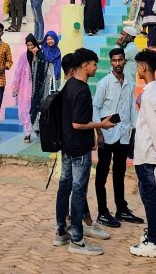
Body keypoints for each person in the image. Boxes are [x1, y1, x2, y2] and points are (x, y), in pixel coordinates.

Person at [55, 48, 116, 256]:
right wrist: (102, 125)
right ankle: (77, 239)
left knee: (65, 187)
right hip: (79, 148)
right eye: (93, 64)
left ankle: (61, 231)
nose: (95, 67)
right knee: (78, 191)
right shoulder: (81, 89)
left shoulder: (69, 85)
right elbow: (78, 123)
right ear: (84, 66)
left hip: (66, 146)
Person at [91, 47, 142, 229]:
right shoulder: (104, 83)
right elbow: (96, 108)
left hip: (123, 135)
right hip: (107, 134)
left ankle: (121, 208)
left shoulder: (128, 83)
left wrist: (133, 131)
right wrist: (99, 133)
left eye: (120, 60)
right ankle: (103, 212)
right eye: (114, 60)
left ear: (125, 61)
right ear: (110, 62)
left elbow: (130, 109)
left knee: (120, 172)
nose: (118, 64)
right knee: (102, 173)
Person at [129, 49, 156, 259]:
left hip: (146, 151)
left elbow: (155, 128)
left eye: (138, 66)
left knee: (149, 195)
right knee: (148, 194)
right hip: (152, 150)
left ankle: (153, 240)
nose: (137, 70)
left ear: (144, 67)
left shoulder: (150, 95)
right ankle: (154, 234)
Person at [10, 34, 44, 143]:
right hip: (26, 88)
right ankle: (27, 134)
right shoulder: (24, 56)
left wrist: (38, 55)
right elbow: (18, 73)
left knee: (38, 109)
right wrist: (16, 87)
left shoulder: (41, 55)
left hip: (38, 88)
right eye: (28, 45)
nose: (30, 47)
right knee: (26, 110)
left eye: (31, 44)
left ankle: (38, 129)